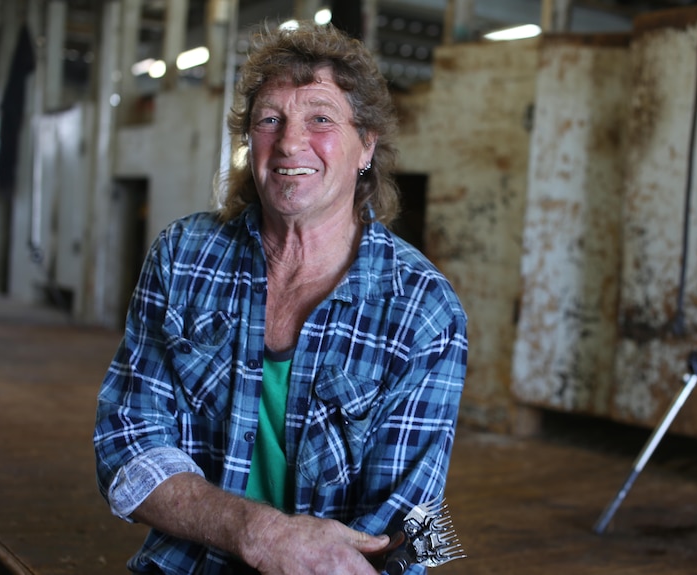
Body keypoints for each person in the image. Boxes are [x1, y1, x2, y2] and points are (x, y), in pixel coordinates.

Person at [93, 20, 467, 575]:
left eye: (320, 118)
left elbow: (403, 527)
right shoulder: (183, 257)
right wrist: (259, 532)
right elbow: (125, 447)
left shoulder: (423, 309)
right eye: (270, 119)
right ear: (250, 141)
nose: (290, 141)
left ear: (367, 145)